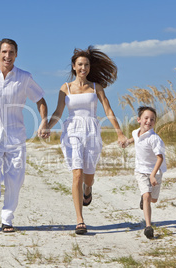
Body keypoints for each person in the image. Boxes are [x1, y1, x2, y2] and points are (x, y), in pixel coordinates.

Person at [47, 46, 127, 234]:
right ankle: (79, 220)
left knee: (88, 177)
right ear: (74, 67)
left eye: (87, 65)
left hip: (91, 131)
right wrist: (47, 127)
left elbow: (108, 110)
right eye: (80, 64)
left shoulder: (96, 87)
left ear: (90, 67)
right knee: (76, 173)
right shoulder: (65, 88)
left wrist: (119, 133)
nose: (83, 68)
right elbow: (58, 111)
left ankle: (88, 190)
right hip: (72, 131)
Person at [0, 38, 49, 233]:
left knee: (14, 180)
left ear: (16, 55)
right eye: (4, 52)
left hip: (16, 137)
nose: (8, 56)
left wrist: (43, 121)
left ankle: (7, 218)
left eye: (12, 53)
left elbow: (40, 100)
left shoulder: (24, 77)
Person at [123, 106, 167, 239]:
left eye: (152, 119)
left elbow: (160, 158)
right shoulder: (136, 132)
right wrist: (127, 142)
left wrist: (153, 175)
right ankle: (148, 226)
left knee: (153, 199)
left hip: (155, 171)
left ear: (155, 122)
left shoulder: (154, 138)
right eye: (146, 118)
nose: (149, 121)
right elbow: (134, 138)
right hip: (141, 171)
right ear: (139, 120)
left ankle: (144, 199)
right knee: (147, 196)